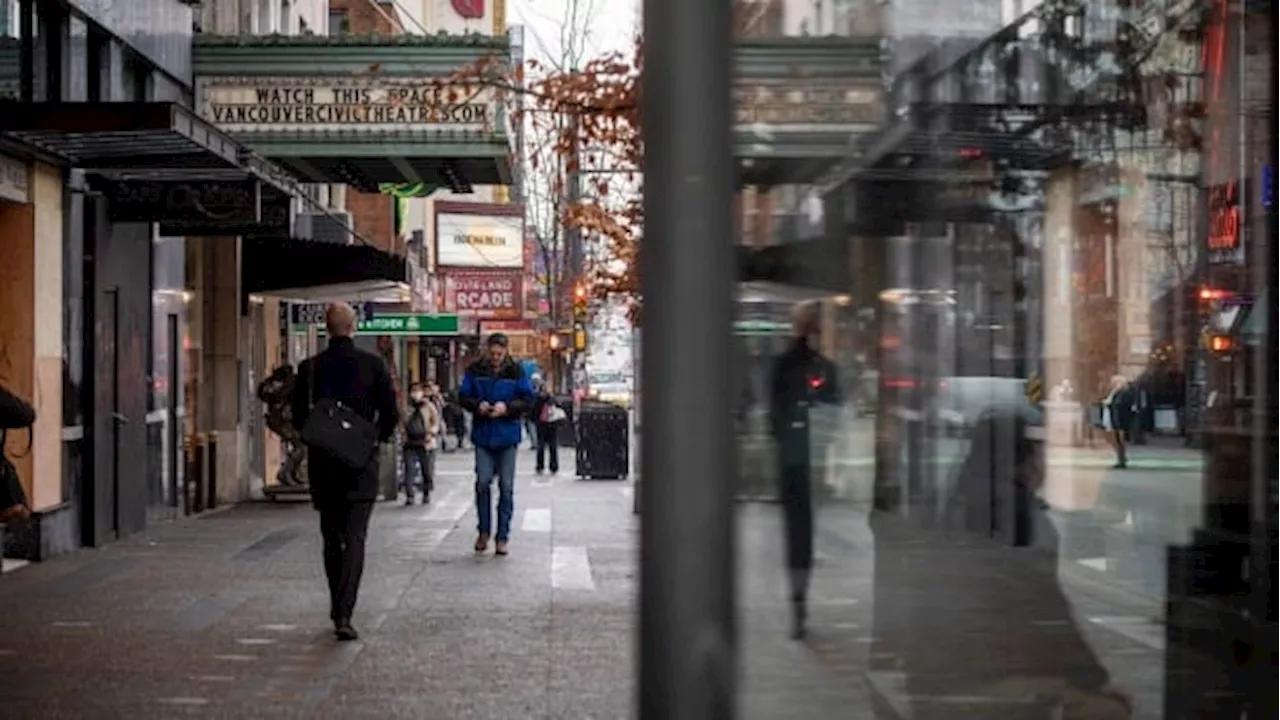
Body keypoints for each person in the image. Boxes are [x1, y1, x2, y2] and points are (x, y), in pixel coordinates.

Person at [291, 304, 399, 641]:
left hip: (324, 465)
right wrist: (371, 441)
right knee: (355, 538)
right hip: (360, 466)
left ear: (326, 327)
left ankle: (336, 604)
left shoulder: (309, 369)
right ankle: (344, 611)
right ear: (353, 326)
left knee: (330, 536)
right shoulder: (373, 365)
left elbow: (298, 419)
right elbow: (391, 414)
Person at [768, 301, 839, 640]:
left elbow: (776, 417)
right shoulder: (816, 366)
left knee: (799, 534)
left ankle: (799, 602)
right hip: (805, 460)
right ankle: (799, 602)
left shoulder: (791, 365)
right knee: (802, 535)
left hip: (798, 461)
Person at [458, 333, 534, 556]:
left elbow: (528, 399)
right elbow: (463, 396)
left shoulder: (516, 371)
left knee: (506, 488)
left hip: (507, 435)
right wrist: (477, 405)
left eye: (500, 354)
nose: (496, 358)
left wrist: (507, 408)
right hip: (483, 434)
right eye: (492, 353)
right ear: (486, 350)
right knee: (482, 482)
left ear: (506, 351)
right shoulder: (475, 370)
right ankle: (484, 531)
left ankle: (502, 536)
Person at [402, 381, 440, 506]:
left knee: (426, 470)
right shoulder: (406, 407)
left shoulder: (429, 406)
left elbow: (435, 422)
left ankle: (426, 493)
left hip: (425, 442)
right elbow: (402, 423)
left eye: (418, 391)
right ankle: (410, 495)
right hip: (410, 443)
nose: (416, 394)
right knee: (409, 469)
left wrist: (432, 433)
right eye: (413, 391)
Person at [1097, 374, 1136, 469]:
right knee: (1116, 439)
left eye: (1115, 382)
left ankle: (1122, 459)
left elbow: (1124, 405)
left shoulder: (1125, 392)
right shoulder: (1116, 392)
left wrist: (1110, 403)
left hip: (1122, 419)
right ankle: (1121, 458)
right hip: (1115, 418)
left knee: (1120, 440)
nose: (1113, 384)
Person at [530, 380, 562, 475]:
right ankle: (548, 467)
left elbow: (532, 413)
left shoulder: (541, 400)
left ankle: (546, 466)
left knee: (547, 447)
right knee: (546, 447)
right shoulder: (545, 399)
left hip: (546, 425)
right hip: (546, 425)